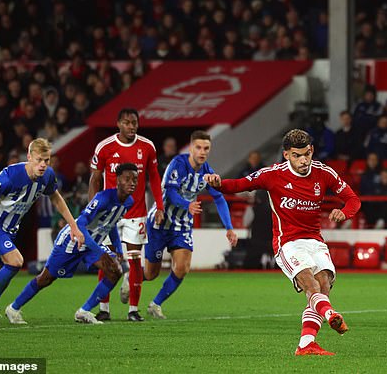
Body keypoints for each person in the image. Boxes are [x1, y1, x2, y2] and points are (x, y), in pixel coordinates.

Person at [204, 129, 361, 356]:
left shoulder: (323, 172)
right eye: (297, 155)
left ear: (312, 151)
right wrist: (218, 183)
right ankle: (330, 316)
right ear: (287, 155)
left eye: (307, 154)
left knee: (324, 285)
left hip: (315, 240)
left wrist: (344, 212)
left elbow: (353, 199)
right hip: (288, 243)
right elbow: (239, 185)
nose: (304, 160)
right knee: (311, 285)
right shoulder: (272, 174)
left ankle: (306, 344)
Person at [0, 138, 83, 328]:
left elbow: (56, 198)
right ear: (29, 157)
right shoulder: (11, 176)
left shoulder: (47, 176)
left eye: (47, 160)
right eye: (38, 160)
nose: (43, 165)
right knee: (16, 261)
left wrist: (74, 226)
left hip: (10, 229)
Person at [5, 164, 137, 324]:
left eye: (135, 179)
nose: (132, 183)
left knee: (114, 271)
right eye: (127, 179)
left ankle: (83, 311)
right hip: (73, 239)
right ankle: (13, 308)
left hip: (91, 244)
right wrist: (99, 251)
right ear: (117, 181)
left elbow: (112, 223)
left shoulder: (129, 201)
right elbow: (80, 224)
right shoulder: (103, 198)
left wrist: (117, 246)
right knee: (45, 279)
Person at [143, 130, 237, 319]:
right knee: (151, 273)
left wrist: (229, 227)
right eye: (199, 147)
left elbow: (219, 198)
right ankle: (132, 276)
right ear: (191, 147)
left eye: (206, 148)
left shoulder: (207, 172)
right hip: (161, 222)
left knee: (182, 268)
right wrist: (188, 205)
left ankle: (156, 304)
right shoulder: (178, 164)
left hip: (182, 225)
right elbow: (170, 193)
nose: (202, 152)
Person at [89, 108, 164, 322]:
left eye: (134, 123)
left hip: (136, 213)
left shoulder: (147, 146)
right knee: (107, 260)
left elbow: (154, 177)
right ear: (118, 124)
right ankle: (104, 308)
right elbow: (95, 179)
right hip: (109, 214)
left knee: (134, 260)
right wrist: (92, 209)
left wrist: (159, 205)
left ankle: (133, 310)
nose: (131, 127)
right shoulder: (105, 147)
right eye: (127, 122)